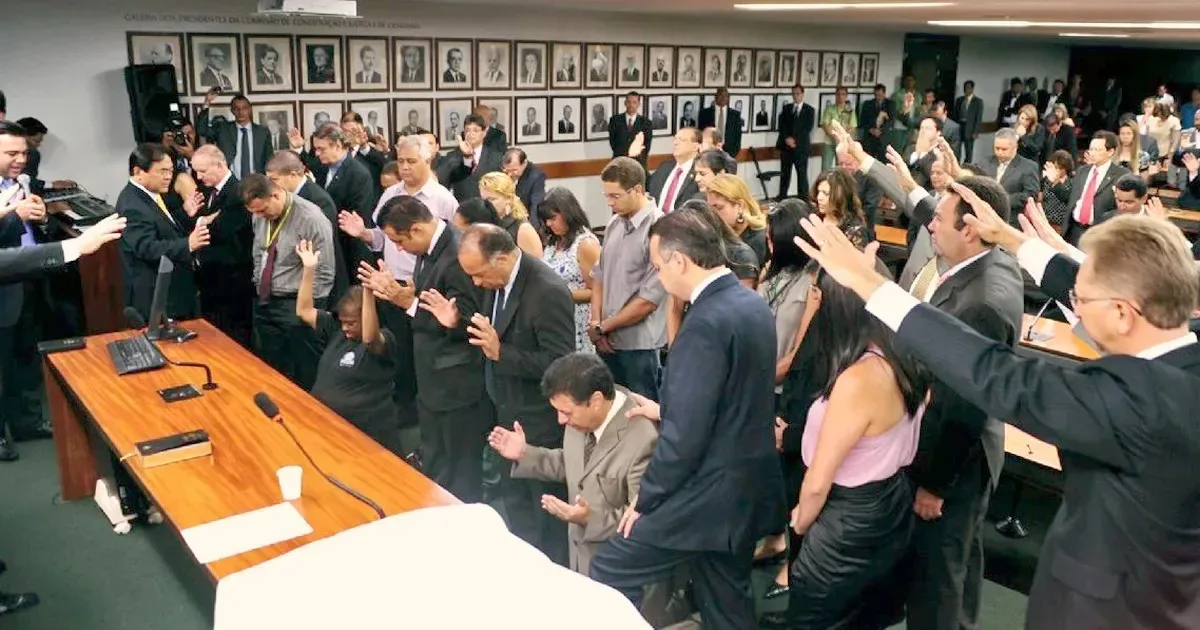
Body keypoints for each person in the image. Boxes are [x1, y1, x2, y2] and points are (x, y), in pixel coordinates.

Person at [796, 184, 1200, 630]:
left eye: (1082, 302)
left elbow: (994, 372)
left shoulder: (1134, 402)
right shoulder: (1180, 351)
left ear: (1124, 313)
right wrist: (1010, 237)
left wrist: (870, 285)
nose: (1075, 309)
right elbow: (1077, 284)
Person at [588, 210, 784, 630]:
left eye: (658, 267)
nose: (659, 278)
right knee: (725, 600)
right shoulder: (752, 303)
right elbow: (737, 399)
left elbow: (685, 437)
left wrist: (646, 499)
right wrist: (670, 407)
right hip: (746, 486)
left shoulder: (705, 322)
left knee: (611, 569)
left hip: (705, 494)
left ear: (680, 261)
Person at [900, 177, 1024, 630]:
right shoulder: (993, 265)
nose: (930, 224)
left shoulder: (981, 302)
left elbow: (965, 402)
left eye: (938, 217)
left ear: (971, 229)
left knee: (938, 579)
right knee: (961, 564)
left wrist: (935, 484)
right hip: (965, 451)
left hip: (956, 460)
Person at [443, 224, 575, 565]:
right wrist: (457, 323)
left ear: (501, 258)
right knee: (514, 504)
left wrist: (504, 354)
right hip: (503, 411)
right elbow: (490, 334)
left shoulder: (547, 291)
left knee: (543, 513)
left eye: (478, 273)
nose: (475, 283)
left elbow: (561, 364)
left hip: (539, 422)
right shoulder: (497, 282)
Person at [361, 196, 489, 503]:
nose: (400, 250)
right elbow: (433, 296)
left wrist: (408, 302)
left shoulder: (460, 254)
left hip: (457, 386)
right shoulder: (432, 250)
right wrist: (406, 290)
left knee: (460, 475)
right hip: (433, 381)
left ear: (417, 230)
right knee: (437, 466)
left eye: (400, 241)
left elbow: (468, 319)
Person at [489, 351, 657, 576]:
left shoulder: (643, 439)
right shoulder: (580, 416)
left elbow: (642, 520)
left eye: (565, 412)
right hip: (580, 562)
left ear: (596, 401)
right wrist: (525, 454)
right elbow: (574, 463)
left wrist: (589, 518)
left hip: (620, 572)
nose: (560, 420)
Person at [296, 240, 406, 455]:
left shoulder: (384, 340)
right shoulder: (337, 329)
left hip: (368, 437)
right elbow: (304, 311)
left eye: (351, 323)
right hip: (328, 429)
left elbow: (369, 338)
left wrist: (368, 292)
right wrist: (308, 270)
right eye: (343, 321)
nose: (345, 327)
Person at [240, 174, 336, 388]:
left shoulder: (311, 218)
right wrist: (259, 284)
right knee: (272, 371)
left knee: (305, 372)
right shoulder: (259, 215)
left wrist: (307, 310)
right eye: (254, 213)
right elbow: (259, 253)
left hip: (297, 306)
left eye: (263, 210)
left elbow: (324, 271)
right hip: (265, 302)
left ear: (275, 194)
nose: (260, 216)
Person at [589, 158, 667, 399]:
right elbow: (599, 276)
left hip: (640, 345)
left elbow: (648, 300)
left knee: (643, 417)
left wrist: (604, 327)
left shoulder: (661, 228)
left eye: (615, 196)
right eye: (606, 196)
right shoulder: (614, 223)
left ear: (637, 190)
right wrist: (596, 323)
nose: (610, 203)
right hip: (606, 339)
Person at [117, 143, 208, 324]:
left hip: (174, 293)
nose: (168, 177)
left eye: (171, 171)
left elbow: (161, 228)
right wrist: (187, 244)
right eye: (162, 171)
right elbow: (147, 248)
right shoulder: (132, 205)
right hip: (157, 298)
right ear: (138, 172)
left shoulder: (149, 194)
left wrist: (182, 214)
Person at [189, 145, 254, 348]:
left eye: (203, 171)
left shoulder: (237, 192)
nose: (198, 177)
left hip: (232, 283)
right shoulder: (207, 191)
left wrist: (203, 222)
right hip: (212, 281)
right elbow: (201, 222)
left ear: (219, 165)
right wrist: (201, 219)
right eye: (196, 171)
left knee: (234, 341)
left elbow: (221, 231)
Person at [538, 188, 601, 353]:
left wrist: (560, 293)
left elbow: (597, 291)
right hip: (554, 320)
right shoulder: (553, 241)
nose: (548, 224)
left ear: (567, 213)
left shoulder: (585, 244)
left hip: (577, 323)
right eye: (546, 220)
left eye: (552, 218)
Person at [1062, 131, 1131, 245]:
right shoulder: (1082, 171)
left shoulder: (1121, 175)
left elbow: (1123, 207)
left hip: (1100, 233)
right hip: (1075, 230)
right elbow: (1072, 198)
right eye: (1091, 149)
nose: (1092, 153)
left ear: (1110, 152)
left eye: (1097, 150)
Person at [195, 90, 273, 178]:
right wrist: (207, 103)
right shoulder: (223, 129)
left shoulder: (262, 132)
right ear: (232, 111)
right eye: (236, 109)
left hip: (256, 182)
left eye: (244, 108)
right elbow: (202, 130)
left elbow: (270, 159)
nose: (240, 112)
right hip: (230, 182)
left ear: (250, 109)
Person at [705, 173, 769, 269]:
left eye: (719, 207)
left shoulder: (761, 240)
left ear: (740, 206)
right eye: (710, 209)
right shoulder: (716, 237)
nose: (712, 214)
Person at [479, 171, 542, 257]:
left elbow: (536, 266)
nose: (486, 204)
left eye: (492, 199)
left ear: (508, 198)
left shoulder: (523, 229)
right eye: (484, 200)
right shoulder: (486, 224)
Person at [443, 113, 504, 200]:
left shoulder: (496, 157)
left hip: (487, 208)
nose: (471, 134)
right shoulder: (452, 156)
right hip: (462, 207)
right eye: (467, 130)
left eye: (475, 130)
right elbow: (445, 185)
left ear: (484, 133)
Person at [646, 128, 701, 213]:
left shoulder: (700, 172)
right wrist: (637, 157)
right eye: (675, 139)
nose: (675, 143)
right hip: (656, 222)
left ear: (695, 146)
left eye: (682, 140)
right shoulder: (665, 167)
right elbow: (647, 184)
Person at [776, 85, 815, 201]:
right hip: (786, 148)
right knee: (785, 173)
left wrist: (795, 141)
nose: (795, 96)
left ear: (803, 94)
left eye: (797, 93)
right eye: (793, 94)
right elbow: (782, 126)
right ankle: (782, 196)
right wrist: (787, 138)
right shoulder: (787, 108)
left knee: (802, 174)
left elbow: (807, 128)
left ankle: (803, 198)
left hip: (801, 148)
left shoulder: (809, 110)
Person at [502, 148, 546, 231]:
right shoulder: (503, 173)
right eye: (507, 170)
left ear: (524, 163)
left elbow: (535, 206)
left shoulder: (536, 176)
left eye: (514, 170)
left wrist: (532, 230)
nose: (510, 174)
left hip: (524, 223)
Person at [608, 92, 653, 165]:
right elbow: (612, 142)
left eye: (634, 102)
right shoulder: (615, 120)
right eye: (628, 102)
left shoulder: (646, 123)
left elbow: (647, 145)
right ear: (625, 103)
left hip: (638, 163)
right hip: (619, 161)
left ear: (638, 104)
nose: (631, 105)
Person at [698, 88, 744, 158]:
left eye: (725, 96)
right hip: (709, 153)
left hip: (729, 153)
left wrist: (733, 153)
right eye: (721, 95)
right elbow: (701, 133)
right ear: (715, 97)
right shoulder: (705, 113)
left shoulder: (735, 115)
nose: (723, 98)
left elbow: (738, 136)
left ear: (728, 98)